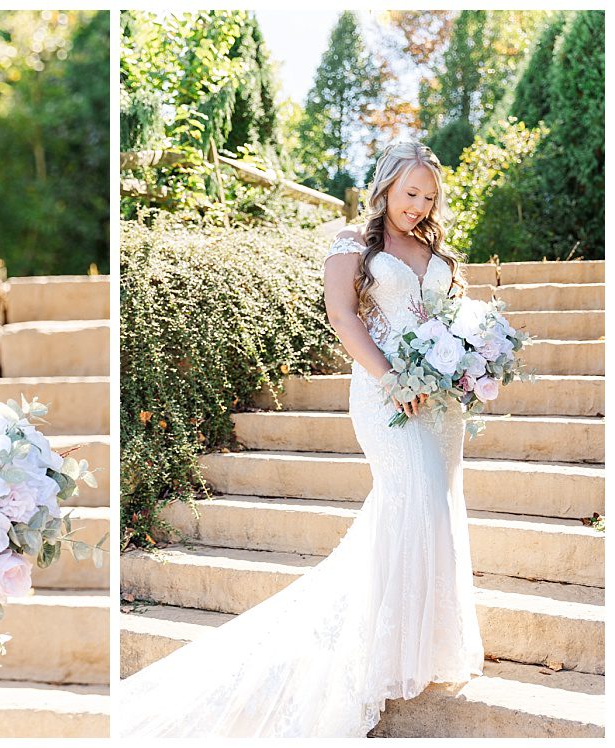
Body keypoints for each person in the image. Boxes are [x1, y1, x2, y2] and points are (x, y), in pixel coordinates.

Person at [119, 141, 484, 737]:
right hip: (384, 392)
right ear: (386, 186)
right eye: (410, 193)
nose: (418, 206)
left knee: (438, 507)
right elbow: (343, 317)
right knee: (410, 497)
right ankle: (382, 650)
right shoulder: (353, 244)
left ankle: (425, 646)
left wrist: (471, 360)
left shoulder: (432, 248)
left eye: (429, 197)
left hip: (441, 401)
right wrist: (390, 378)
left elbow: (451, 315)